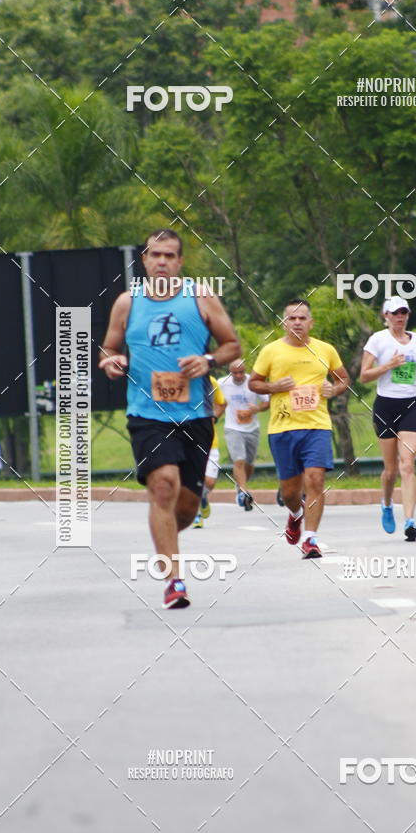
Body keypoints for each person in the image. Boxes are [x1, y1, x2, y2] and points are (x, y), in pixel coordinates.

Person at [99, 228, 240, 608]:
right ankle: (174, 582)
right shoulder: (127, 303)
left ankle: (164, 540)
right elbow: (108, 348)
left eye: (169, 255)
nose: (161, 261)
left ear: (180, 262)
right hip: (147, 414)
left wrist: (207, 360)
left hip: (196, 414)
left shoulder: (201, 298)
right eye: (155, 254)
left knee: (187, 507)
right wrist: (112, 361)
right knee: (163, 486)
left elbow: (232, 346)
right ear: (144, 259)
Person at [248, 299, 349, 558]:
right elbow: (254, 383)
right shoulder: (271, 351)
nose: (297, 322)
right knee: (290, 493)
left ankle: (310, 539)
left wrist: (334, 388)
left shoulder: (325, 350)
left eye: (302, 318)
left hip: (317, 426)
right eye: (291, 318)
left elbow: (343, 379)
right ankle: (295, 513)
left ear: (310, 323)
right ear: (284, 323)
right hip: (282, 429)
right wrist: (273, 387)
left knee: (315, 479)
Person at [360, 296, 416, 541]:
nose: (400, 317)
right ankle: (387, 503)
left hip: (411, 404)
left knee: (407, 464)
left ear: (408, 315)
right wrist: (388, 365)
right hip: (385, 405)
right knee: (390, 470)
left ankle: (410, 521)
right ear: (386, 316)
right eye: (395, 313)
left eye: (403, 312)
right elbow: (364, 376)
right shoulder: (377, 340)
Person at [219, 359, 269, 511]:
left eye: (241, 372)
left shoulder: (252, 383)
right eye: (235, 373)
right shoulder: (222, 383)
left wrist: (256, 409)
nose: (238, 376)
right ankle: (243, 493)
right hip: (233, 427)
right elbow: (211, 399)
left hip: (252, 428)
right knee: (239, 460)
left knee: (249, 464)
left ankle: (240, 486)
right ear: (230, 372)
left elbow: (267, 402)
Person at [193, 375, 226, 527]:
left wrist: (214, 417)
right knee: (194, 478)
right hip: (188, 440)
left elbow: (221, 403)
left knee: (210, 482)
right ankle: (197, 515)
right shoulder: (179, 380)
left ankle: (203, 497)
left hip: (210, 440)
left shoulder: (211, 381)